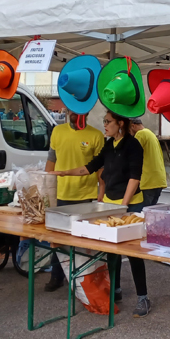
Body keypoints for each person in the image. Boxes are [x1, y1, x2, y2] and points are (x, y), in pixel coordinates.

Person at [52, 110, 151, 316]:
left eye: (108, 121)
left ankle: (143, 297)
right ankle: (115, 289)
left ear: (120, 123)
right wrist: (63, 172)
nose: (104, 125)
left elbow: (135, 178)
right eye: (104, 121)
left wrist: (123, 205)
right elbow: (89, 168)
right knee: (110, 250)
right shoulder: (109, 144)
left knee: (133, 253)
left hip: (130, 204)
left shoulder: (133, 145)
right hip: (110, 204)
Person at [43, 111, 104, 292]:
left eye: (78, 109)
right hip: (61, 194)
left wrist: (101, 192)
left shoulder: (96, 136)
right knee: (58, 238)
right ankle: (56, 276)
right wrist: (44, 189)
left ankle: (81, 280)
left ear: (87, 111)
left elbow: (100, 168)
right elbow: (51, 160)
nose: (74, 112)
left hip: (86, 195)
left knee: (82, 242)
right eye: (71, 108)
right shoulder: (58, 131)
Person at [129, 118, 166, 207]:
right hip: (157, 181)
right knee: (150, 211)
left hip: (148, 182)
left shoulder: (140, 134)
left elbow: (131, 155)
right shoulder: (150, 134)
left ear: (133, 126)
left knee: (141, 212)